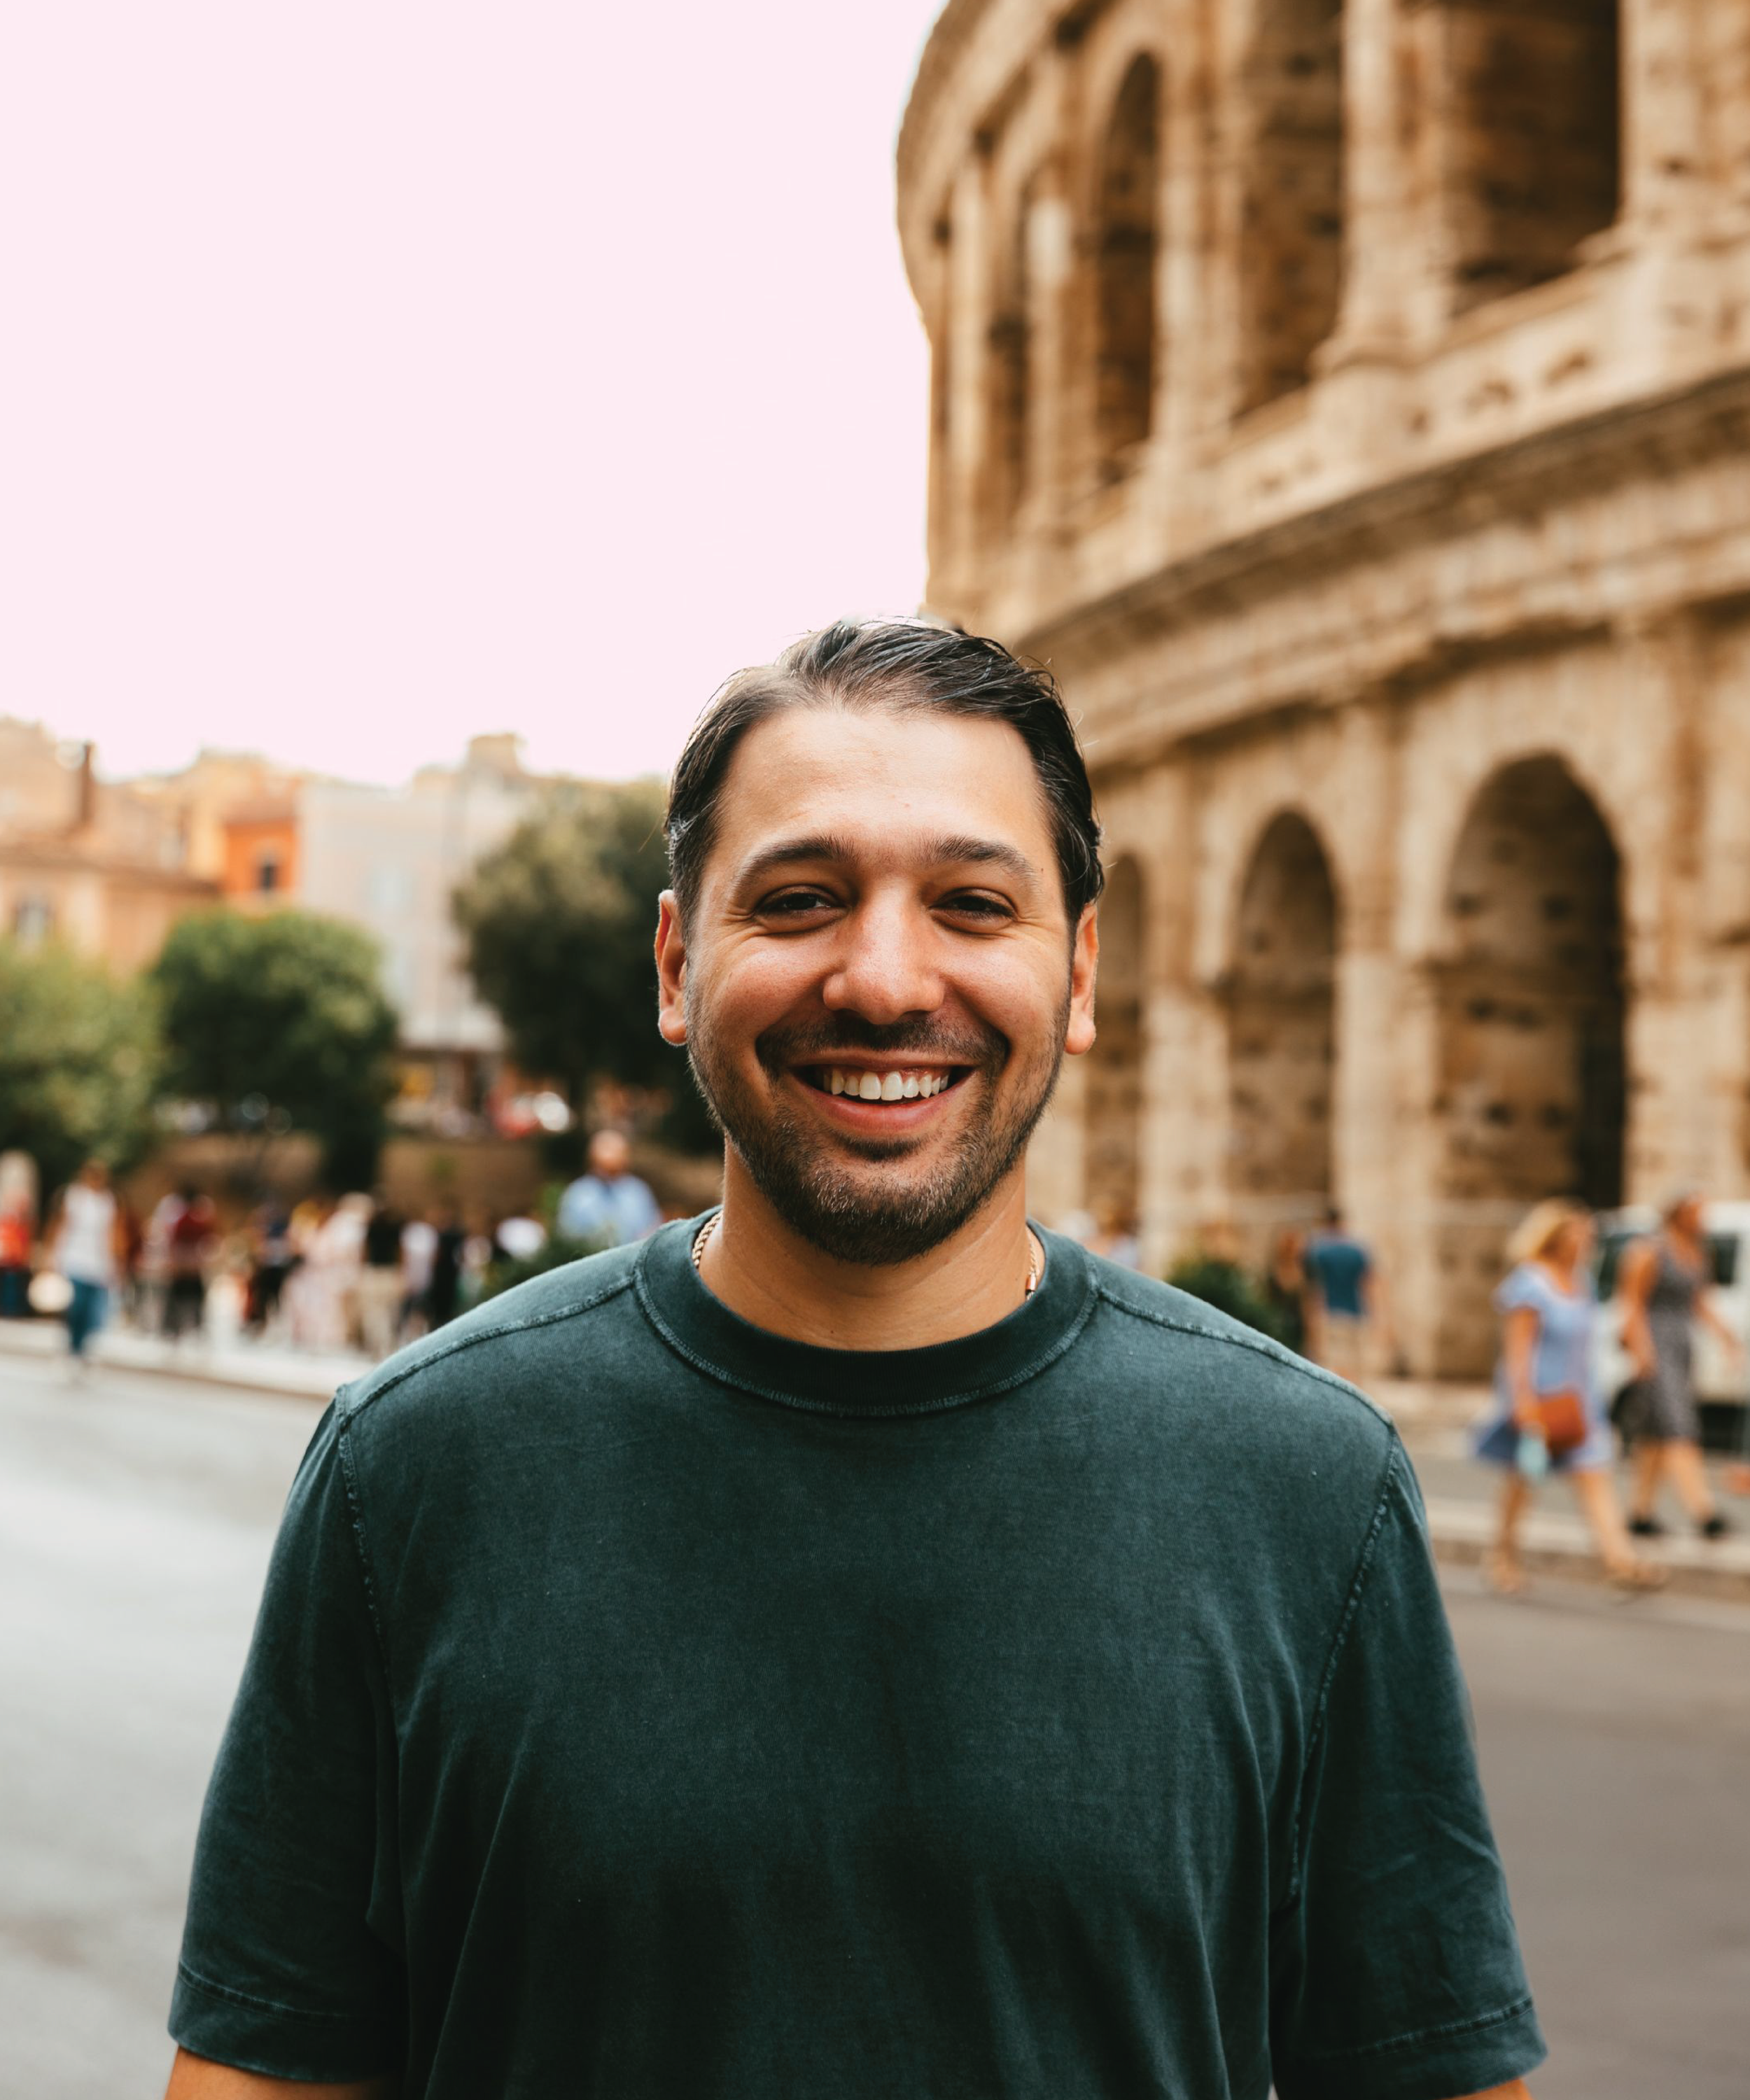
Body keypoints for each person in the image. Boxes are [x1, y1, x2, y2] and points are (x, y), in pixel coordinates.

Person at [165, 621, 1544, 2100]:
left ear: (1076, 974)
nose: (884, 980)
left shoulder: (1309, 1493)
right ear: (677, 964)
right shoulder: (413, 1469)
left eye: (969, 904)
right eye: (803, 899)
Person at [1475, 1198, 1662, 1596]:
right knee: (1522, 1484)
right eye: (1581, 1234)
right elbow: (1518, 1350)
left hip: (1579, 1400)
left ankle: (1620, 1562)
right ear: (1557, 1237)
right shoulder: (1530, 1282)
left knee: (1596, 1478)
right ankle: (1502, 1557)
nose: (1588, 1242)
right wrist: (1523, 1402)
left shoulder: (1583, 1282)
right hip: (1540, 1399)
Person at [1618, 1191, 1740, 1541]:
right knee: (1678, 1426)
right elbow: (1633, 1303)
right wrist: (1641, 1351)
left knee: (1655, 1434)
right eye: (1697, 1212)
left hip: (1681, 1344)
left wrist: (1726, 1336)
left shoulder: (1696, 1252)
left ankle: (1639, 1512)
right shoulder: (1649, 1250)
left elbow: (1699, 1302)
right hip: (1656, 1344)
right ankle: (1704, 1512)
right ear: (1679, 1213)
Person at [51, 1159, 120, 1367]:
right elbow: (63, 1224)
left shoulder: (107, 1201)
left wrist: (113, 1261)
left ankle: (81, 1348)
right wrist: (54, 1253)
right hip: (75, 1259)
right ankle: (72, 1346)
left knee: (92, 1309)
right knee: (77, 1305)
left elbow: (111, 1234)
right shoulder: (75, 1196)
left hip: (98, 1263)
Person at [1302, 1205, 1378, 1382]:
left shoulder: (1318, 1251)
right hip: (1356, 1313)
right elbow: (1369, 1285)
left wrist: (1311, 1321)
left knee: (1335, 1366)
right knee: (1357, 1366)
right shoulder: (1358, 1251)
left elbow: (1314, 1290)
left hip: (1331, 1314)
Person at [556, 1128, 662, 1246]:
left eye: (616, 1151)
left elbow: (653, 1231)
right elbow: (566, 1238)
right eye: (606, 1149)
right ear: (591, 1158)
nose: (610, 1156)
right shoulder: (577, 1194)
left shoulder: (638, 1192)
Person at [1262, 1225, 1310, 1357]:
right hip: (1279, 1326)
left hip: (1297, 1326)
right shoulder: (1275, 1272)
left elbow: (1308, 1304)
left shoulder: (1304, 1271)